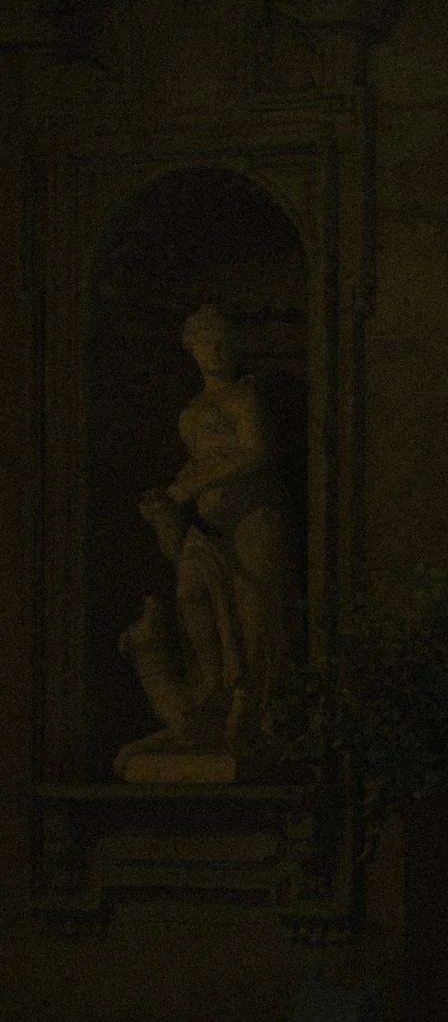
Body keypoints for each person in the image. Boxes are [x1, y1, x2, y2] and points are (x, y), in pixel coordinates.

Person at [118, 304, 296, 777]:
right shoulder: (190, 414)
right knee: (193, 594)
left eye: (221, 340)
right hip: (210, 528)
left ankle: (249, 717)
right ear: (190, 349)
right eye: (204, 341)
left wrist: (189, 487)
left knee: (255, 610)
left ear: (235, 347)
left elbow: (258, 452)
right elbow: (198, 467)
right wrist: (166, 501)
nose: (213, 350)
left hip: (253, 519)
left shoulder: (243, 397)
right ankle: (211, 700)